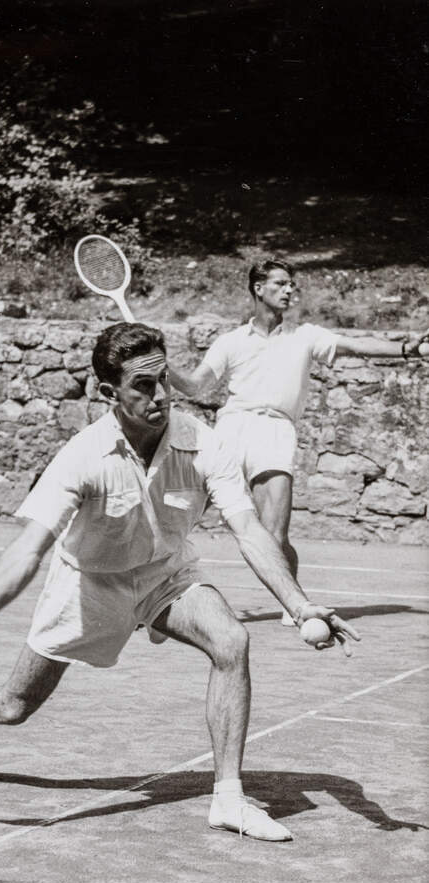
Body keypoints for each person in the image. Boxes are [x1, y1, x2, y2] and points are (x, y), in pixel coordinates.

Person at [0, 322, 359, 842]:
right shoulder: (82, 456)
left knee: (232, 640)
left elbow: (249, 530)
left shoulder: (201, 441)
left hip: (166, 574)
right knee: (12, 706)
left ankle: (229, 800)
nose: (162, 396)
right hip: (88, 587)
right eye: (143, 387)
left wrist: (300, 606)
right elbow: (29, 548)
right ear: (109, 394)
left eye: (164, 380)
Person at [170, 259, 428, 624]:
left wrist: (407, 350)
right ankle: (151, 596)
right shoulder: (230, 342)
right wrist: (164, 370)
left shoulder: (307, 336)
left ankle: (296, 605)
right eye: (281, 283)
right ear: (259, 288)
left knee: (275, 533)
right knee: (178, 519)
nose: (290, 290)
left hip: (276, 431)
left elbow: (355, 346)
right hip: (231, 429)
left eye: (292, 284)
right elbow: (196, 386)